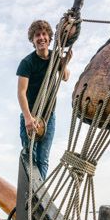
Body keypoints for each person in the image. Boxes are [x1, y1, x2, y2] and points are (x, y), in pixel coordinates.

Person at [16, 20, 71, 180]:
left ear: (49, 37)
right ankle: (29, 194)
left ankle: (38, 198)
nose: (41, 38)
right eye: (37, 35)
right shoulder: (27, 63)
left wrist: (64, 63)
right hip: (30, 115)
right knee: (30, 157)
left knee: (43, 159)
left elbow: (65, 77)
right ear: (33, 40)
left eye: (44, 34)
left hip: (48, 116)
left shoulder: (55, 57)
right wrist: (27, 118)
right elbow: (21, 92)